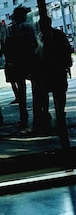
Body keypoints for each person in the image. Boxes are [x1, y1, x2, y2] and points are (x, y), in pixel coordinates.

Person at [34, 16, 73, 144]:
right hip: (51, 69)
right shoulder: (52, 35)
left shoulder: (46, 36)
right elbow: (66, 49)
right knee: (55, 92)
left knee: (55, 92)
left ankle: (55, 112)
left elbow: (66, 50)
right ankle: (54, 112)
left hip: (52, 69)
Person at [2, 5, 38, 129]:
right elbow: (34, 43)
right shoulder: (27, 27)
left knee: (21, 88)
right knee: (35, 86)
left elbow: (7, 46)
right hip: (29, 60)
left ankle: (24, 114)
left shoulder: (10, 29)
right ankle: (37, 112)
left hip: (16, 61)